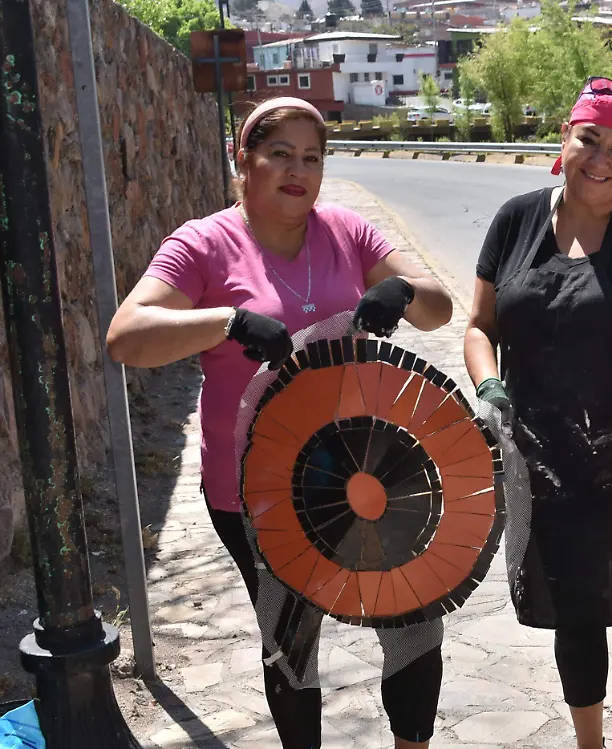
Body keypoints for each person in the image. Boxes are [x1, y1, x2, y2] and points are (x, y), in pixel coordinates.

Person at [106, 97, 454, 749]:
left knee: (413, 619)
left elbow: (439, 309)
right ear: (243, 159)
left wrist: (403, 291)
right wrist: (227, 321)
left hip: (363, 468)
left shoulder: (346, 232)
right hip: (258, 488)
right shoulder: (204, 244)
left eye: (312, 158)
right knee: (293, 640)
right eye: (280, 154)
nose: (298, 171)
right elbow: (127, 336)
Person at [463, 77, 612, 749]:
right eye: (589, 139)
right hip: (548, 461)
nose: (601, 159)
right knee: (574, 614)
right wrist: (490, 387)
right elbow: (481, 325)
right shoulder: (515, 221)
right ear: (564, 139)